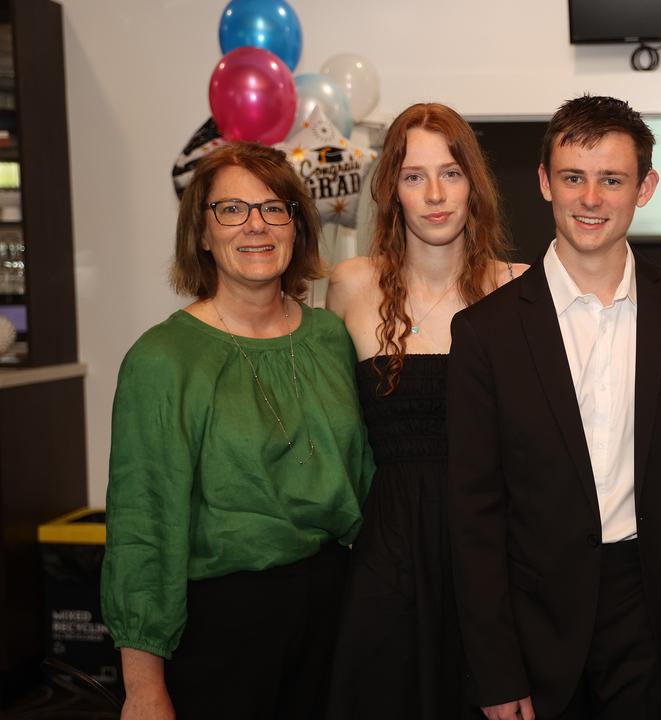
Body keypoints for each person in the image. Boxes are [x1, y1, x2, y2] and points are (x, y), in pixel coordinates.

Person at [444, 94, 661, 720]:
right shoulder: (485, 333)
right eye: (573, 177)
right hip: (534, 629)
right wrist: (495, 670)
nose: (591, 198)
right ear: (545, 183)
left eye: (612, 180)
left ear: (644, 188)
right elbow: (473, 516)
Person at [101, 143, 375, 720]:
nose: (256, 226)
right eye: (232, 210)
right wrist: (143, 688)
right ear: (201, 233)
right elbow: (142, 527)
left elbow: (368, 477)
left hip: (334, 616)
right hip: (220, 632)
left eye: (275, 209)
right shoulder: (163, 359)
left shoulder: (330, 339)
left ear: (297, 227)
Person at [325, 102, 527, 718]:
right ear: (392, 191)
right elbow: (334, 432)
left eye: (451, 173)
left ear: (475, 184)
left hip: (493, 558)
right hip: (387, 555)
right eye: (414, 176)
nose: (435, 194)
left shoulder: (520, 287)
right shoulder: (351, 284)